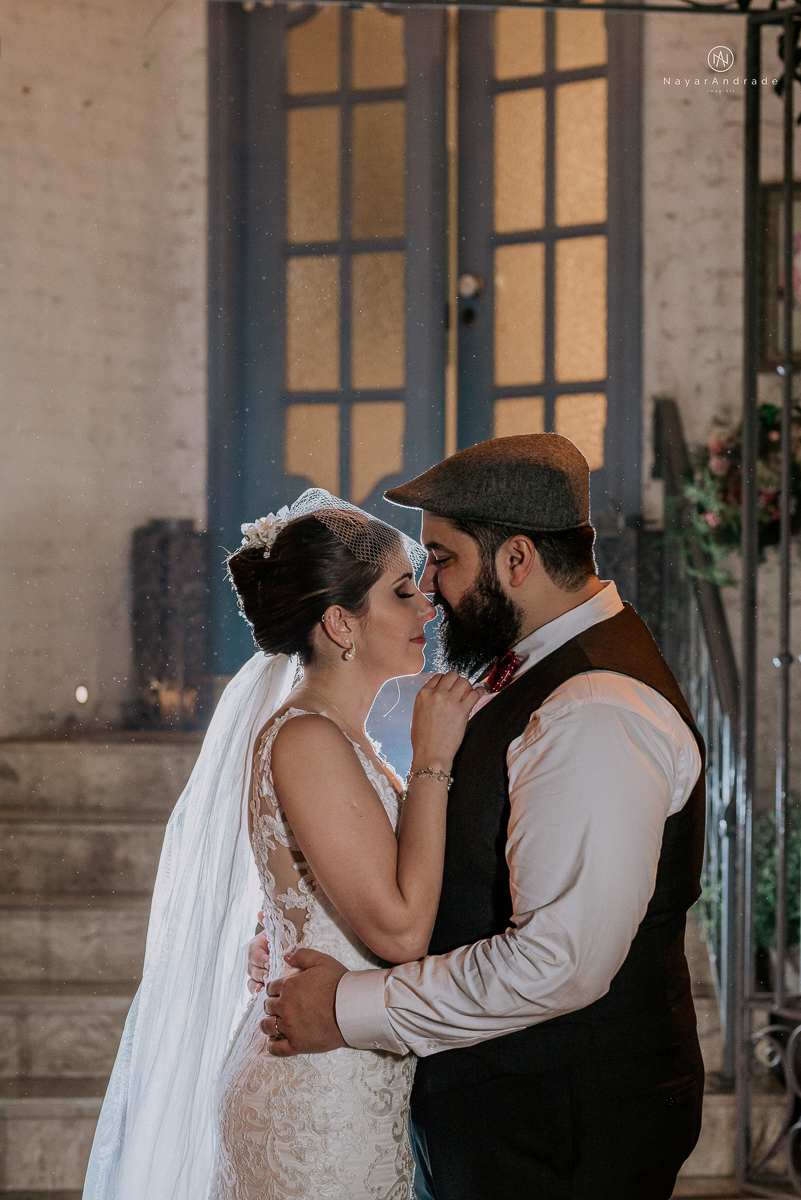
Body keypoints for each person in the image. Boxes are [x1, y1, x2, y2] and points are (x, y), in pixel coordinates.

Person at [255, 435, 707, 1200]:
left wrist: (348, 1005)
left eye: (442, 558)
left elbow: (556, 963)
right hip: (511, 1116)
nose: (429, 587)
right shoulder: (537, 672)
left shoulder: (594, 706)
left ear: (516, 560)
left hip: (560, 1129)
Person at [82, 488, 480, 1200]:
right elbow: (398, 927)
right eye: (400, 591)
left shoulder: (339, 737)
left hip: (350, 1083)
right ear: (340, 623)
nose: (427, 607)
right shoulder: (307, 739)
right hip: (315, 1107)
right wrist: (433, 759)